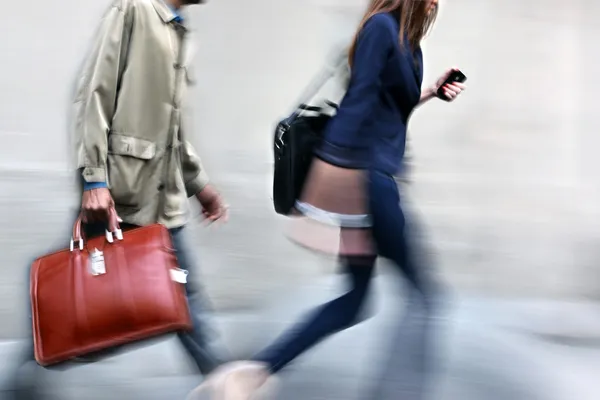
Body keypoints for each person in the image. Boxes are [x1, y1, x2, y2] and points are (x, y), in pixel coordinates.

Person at [187, 0, 466, 399]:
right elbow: (357, 102)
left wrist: (431, 92)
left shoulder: (408, 40)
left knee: (355, 299)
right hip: (369, 184)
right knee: (425, 297)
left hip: (374, 179)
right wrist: (320, 190)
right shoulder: (381, 29)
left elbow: (388, 105)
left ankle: (250, 374)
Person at [11, 0, 230, 398]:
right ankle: (32, 370)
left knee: (179, 291)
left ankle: (220, 379)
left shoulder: (178, 28)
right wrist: (94, 180)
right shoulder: (134, 10)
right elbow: (93, 93)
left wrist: (200, 185)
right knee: (80, 292)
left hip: (162, 196)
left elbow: (174, 125)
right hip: (123, 193)